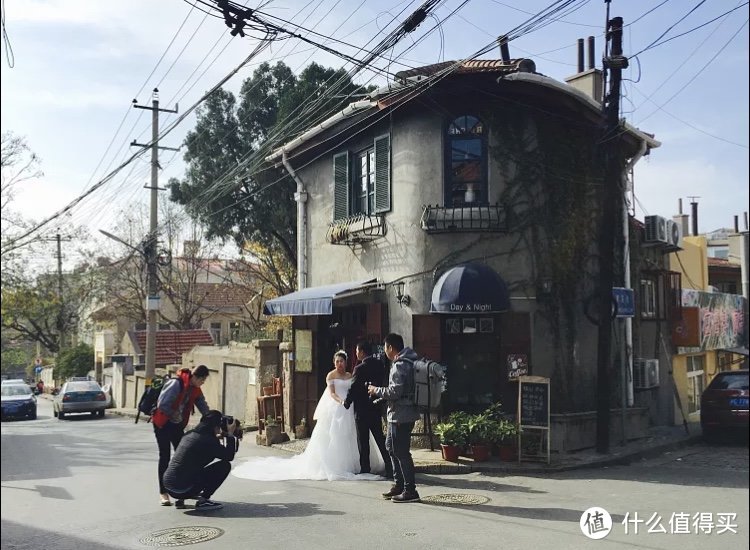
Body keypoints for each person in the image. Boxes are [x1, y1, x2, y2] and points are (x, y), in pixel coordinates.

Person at [231, 350, 386, 481]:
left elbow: (353, 389)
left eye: (342, 361)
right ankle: (337, 464)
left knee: (352, 435)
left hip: (349, 406)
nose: (340, 364)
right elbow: (332, 393)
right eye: (337, 361)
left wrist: (349, 402)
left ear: (346, 363)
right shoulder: (331, 376)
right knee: (334, 435)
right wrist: (340, 401)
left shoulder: (349, 375)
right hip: (337, 406)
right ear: (334, 362)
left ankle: (359, 464)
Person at [367, 333, 421, 503]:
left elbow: (395, 392)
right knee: (391, 446)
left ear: (390, 347)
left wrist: (376, 390)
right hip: (399, 413)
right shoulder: (409, 361)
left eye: (385, 347)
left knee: (401, 452)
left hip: (400, 415)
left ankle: (410, 490)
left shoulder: (400, 365)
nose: (384, 351)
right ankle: (399, 485)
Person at [152, 365, 210, 506]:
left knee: (183, 456)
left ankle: (180, 493)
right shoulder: (176, 384)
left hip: (177, 424)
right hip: (163, 423)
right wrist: (174, 414)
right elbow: (162, 404)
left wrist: (212, 420)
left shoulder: (195, 389)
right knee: (165, 456)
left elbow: (203, 407)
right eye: (202, 380)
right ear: (195, 377)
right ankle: (163, 493)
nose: (202, 383)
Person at [163, 410, 239, 511]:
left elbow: (203, 445)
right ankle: (204, 501)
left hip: (169, 486)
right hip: (183, 490)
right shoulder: (209, 442)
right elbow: (229, 456)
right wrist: (230, 435)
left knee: (187, 466)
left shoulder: (190, 434)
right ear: (216, 426)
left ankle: (180, 500)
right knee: (224, 466)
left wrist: (219, 436)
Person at [343, 341, 392, 478]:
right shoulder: (380, 365)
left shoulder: (359, 368)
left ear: (362, 351)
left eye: (357, 351)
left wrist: (347, 402)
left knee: (363, 440)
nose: (356, 353)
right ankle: (389, 466)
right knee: (379, 438)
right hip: (375, 406)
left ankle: (365, 468)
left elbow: (353, 388)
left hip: (362, 408)